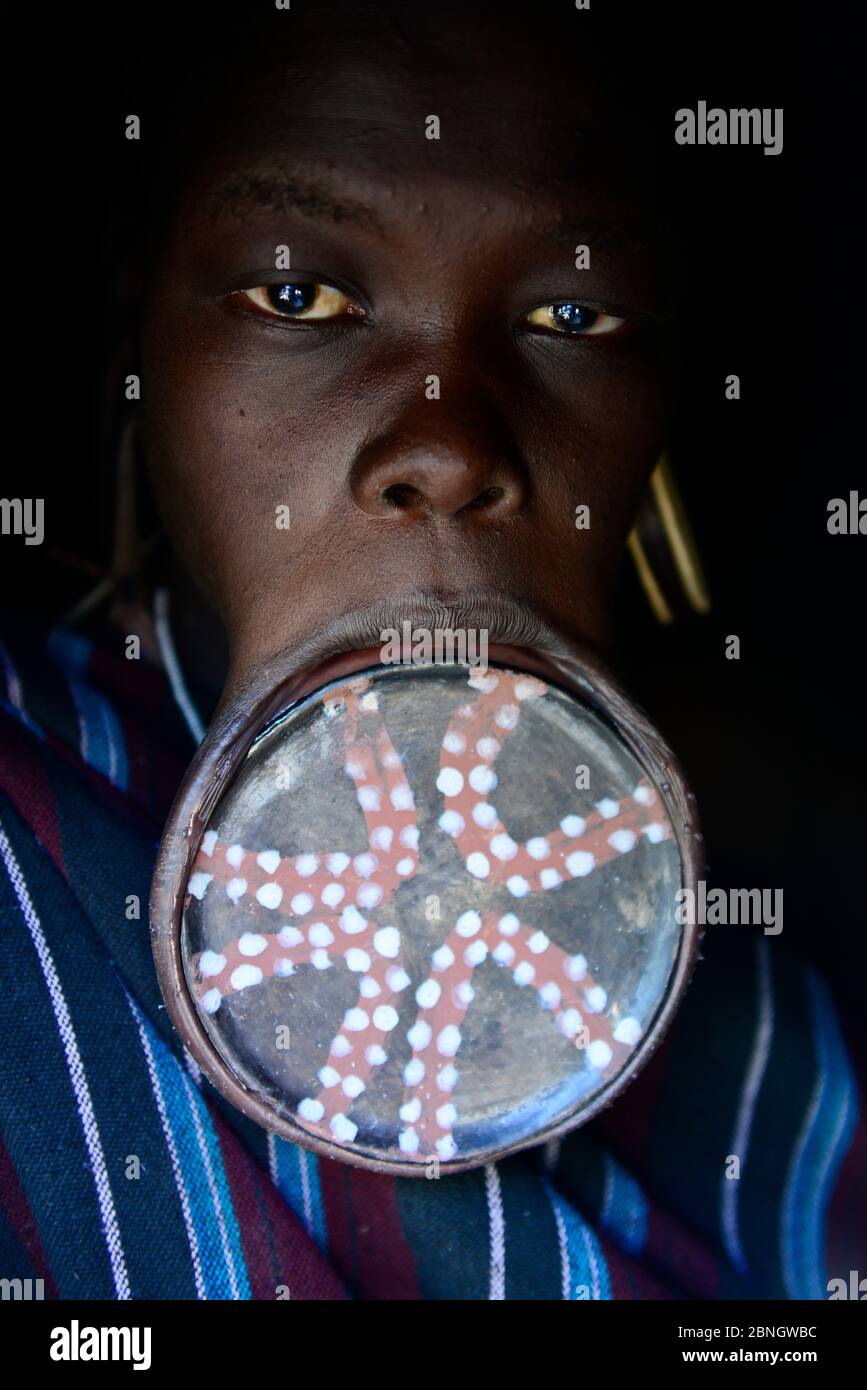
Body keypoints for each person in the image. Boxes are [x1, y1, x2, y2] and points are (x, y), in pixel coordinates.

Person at [0, 0, 861, 1300]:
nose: (450, 446)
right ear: (139, 347)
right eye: (298, 293)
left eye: (574, 318)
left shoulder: (804, 946)